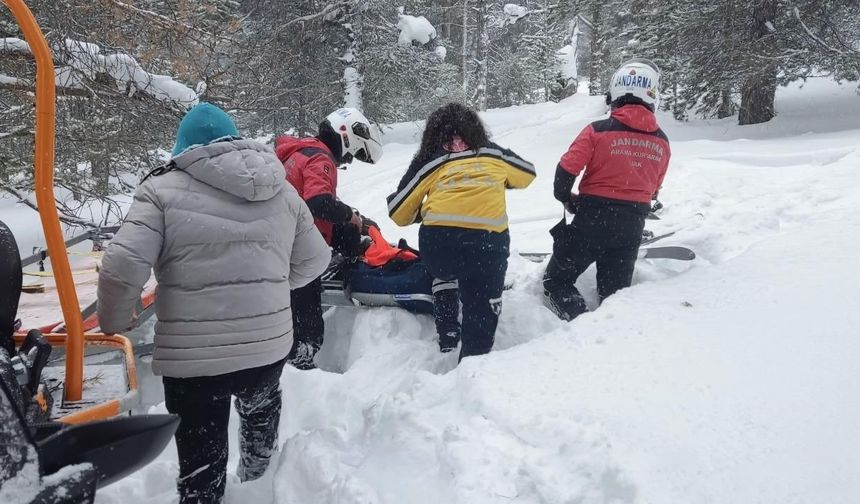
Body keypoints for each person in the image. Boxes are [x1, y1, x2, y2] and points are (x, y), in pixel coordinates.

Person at [97, 103, 331, 504]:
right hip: (265, 350)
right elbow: (315, 259)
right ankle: (259, 483)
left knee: (202, 461)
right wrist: (272, 288)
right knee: (261, 410)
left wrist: (116, 321)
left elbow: (121, 265)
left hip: (195, 365)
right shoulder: (279, 186)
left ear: (184, 147)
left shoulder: (160, 190)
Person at [387, 103, 536, 361]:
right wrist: (499, 182)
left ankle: (447, 332)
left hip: (441, 246)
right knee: (480, 309)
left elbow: (398, 211)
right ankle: (473, 364)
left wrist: (423, 212)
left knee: (443, 270)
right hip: (488, 246)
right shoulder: (493, 153)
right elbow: (528, 174)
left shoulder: (429, 160)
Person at [543, 58, 671, 321]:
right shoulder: (662, 142)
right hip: (631, 226)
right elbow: (654, 190)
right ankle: (610, 338)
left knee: (556, 281)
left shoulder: (597, 131)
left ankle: (579, 323)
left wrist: (567, 199)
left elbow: (565, 171)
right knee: (615, 298)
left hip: (592, 221)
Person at [274, 108, 383, 369]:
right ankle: (303, 374)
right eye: (352, 154)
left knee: (289, 314)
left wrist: (351, 216)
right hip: (297, 250)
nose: (347, 161)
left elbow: (304, 199)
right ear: (346, 134)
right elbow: (318, 202)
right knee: (306, 324)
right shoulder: (321, 158)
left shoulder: (300, 151)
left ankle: (294, 363)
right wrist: (349, 217)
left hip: (279, 242)